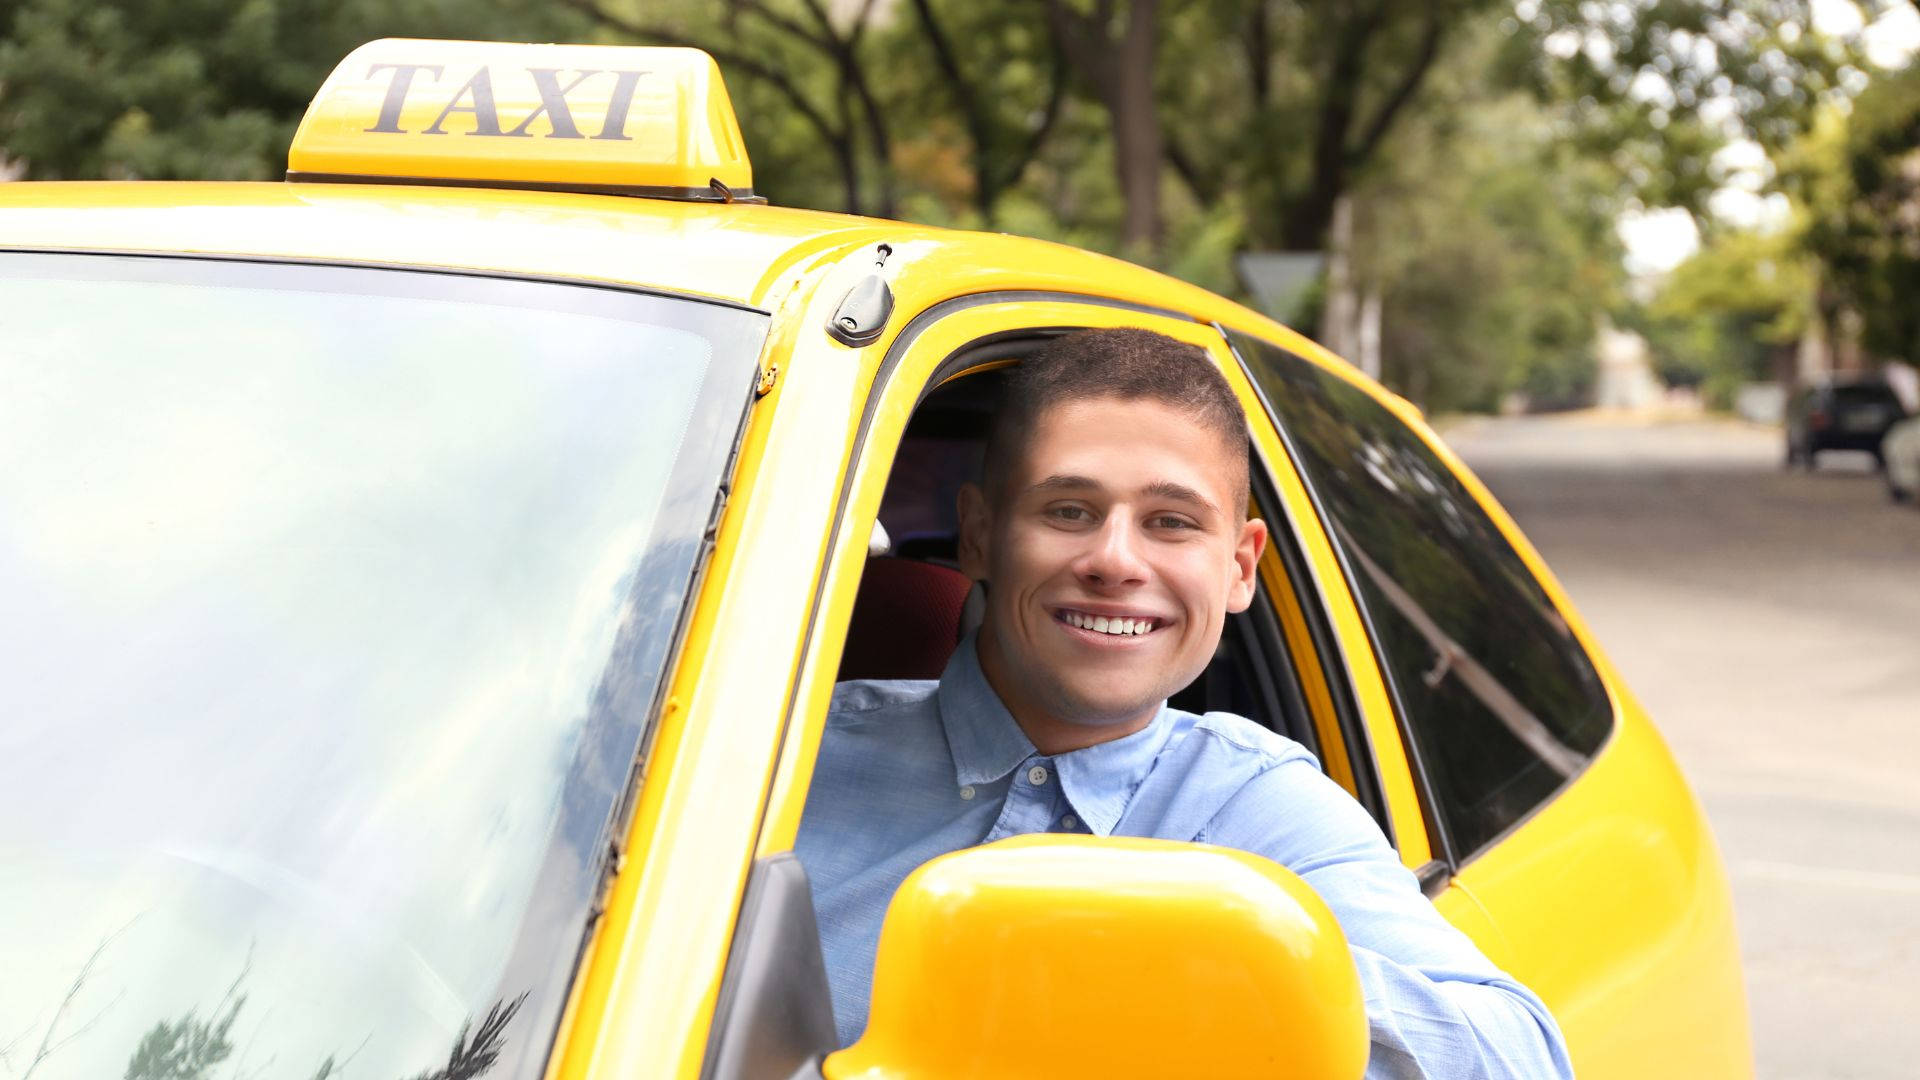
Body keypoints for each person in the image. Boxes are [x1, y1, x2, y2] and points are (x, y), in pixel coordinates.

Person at [794, 328, 1575, 1078]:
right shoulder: (784, 761)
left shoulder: (1263, 810)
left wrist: (1216, 958)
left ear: (1239, 569)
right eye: (1069, 510)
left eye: (1171, 522)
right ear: (979, 535)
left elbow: (1520, 1060)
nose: (1114, 560)